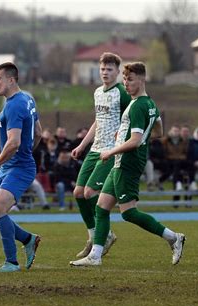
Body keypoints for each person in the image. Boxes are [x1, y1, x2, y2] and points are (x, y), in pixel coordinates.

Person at [70, 62, 185, 267]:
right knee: (102, 207)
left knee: (129, 213)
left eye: (130, 80)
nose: (126, 84)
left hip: (128, 163)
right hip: (120, 162)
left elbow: (136, 140)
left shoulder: (139, 105)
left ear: (142, 80)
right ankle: (95, 256)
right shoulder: (149, 104)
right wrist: (125, 136)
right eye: (124, 79)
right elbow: (157, 130)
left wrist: (111, 150)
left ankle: (173, 237)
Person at [0, 62, 42, 273]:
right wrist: (24, 152)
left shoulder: (14, 105)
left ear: (11, 80)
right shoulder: (28, 98)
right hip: (10, 167)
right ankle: (28, 239)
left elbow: (13, 142)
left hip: (18, 168)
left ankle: (11, 262)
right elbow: (39, 133)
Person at [70, 52, 131, 259]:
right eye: (103, 69)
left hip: (110, 150)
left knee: (89, 192)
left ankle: (104, 235)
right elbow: (98, 121)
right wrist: (82, 144)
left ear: (117, 71)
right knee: (78, 192)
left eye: (109, 69)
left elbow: (130, 119)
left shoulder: (122, 93)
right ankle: (94, 235)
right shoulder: (98, 92)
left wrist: (122, 140)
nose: (105, 72)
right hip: (95, 149)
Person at [159, 125, 192, 191]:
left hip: (179, 160)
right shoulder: (166, 141)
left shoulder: (182, 141)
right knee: (174, 168)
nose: (175, 132)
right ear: (170, 131)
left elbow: (185, 152)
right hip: (169, 160)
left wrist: (180, 157)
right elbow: (163, 152)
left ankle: (181, 184)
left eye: (177, 131)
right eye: (174, 130)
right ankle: (177, 184)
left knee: (187, 165)